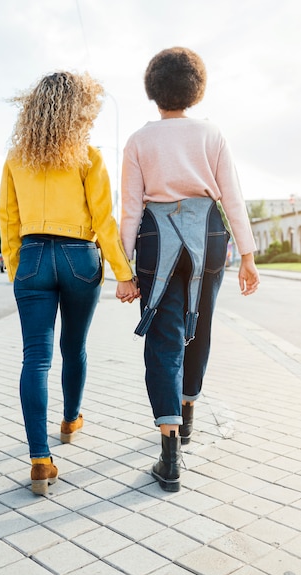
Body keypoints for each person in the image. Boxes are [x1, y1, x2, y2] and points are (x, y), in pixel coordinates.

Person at [120, 47, 259, 492]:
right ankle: (189, 415)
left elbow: (129, 210)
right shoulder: (211, 134)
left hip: (156, 240)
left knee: (164, 337)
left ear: (153, 91)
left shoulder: (139, 140)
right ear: (196, 88)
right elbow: (232, 196)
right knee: (199, 327)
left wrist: (123, 270)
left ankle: (169, 456)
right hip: (210, 237)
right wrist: (249, 255)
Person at [0, 71, 139, 495]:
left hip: (33, 256)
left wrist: (15, 268)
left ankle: (40, 459)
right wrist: (123, 273)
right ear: (77, 112)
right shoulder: (88, 157)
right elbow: (104, 221)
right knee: (73, 347)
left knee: (35, 359)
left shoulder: (15, 158)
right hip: (80, 256)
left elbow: (8, 219)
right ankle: (70, 420)